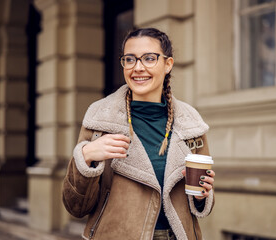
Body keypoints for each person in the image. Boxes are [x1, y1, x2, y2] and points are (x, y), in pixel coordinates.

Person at [62, 27, 215, 240]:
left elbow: (198, 199)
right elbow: (75, 207)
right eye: (130, 59)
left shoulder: (191, 124)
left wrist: (202, 196)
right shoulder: (100, 118)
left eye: (149, 59)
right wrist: (86, 157)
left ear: (168, 64)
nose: (138, 68)